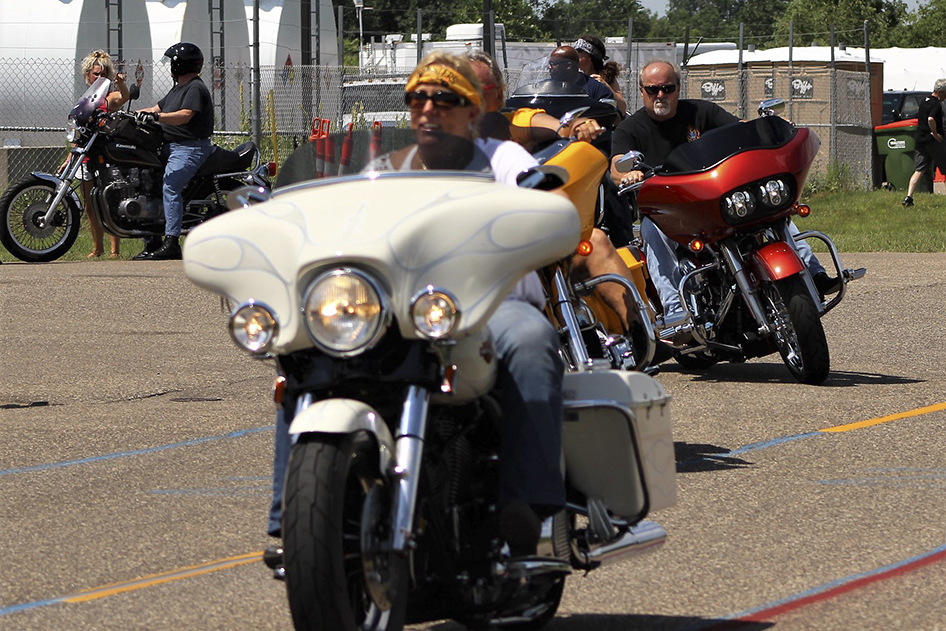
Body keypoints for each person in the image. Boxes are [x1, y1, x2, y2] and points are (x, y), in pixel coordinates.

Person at [266, 52, 566, 570]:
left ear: (472, 112)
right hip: (404, 311)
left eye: (445, 99)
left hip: (491, 308)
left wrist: (535, 205)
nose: (428, 109)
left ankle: (530, 508)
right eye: (418, 98)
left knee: (533, 341)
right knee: (303, 354)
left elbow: (537, 201)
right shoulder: (386, 171)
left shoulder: (504, 160)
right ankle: (288, 517)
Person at [610, 59, 840, 322]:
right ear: (641, 91)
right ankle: (675, 307)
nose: (660, 95)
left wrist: (770, 126)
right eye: (653, 89)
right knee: (651, 230)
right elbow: (616, 166)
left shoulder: (700, 111)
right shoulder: (631, 129)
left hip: (712, 201)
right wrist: (628, 172)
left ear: (678, 88)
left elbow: (738, 128)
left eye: (668, 88)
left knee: (774, 211)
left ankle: (814, 273)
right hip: (670, 211)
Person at [469, 51, 648, 342]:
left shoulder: (510, 124)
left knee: (596, 240)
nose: (471, 98)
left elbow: (542, 122)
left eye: (481, 90)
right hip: (473, 251)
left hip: (526, 235)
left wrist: (573, 126)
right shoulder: (440, 144)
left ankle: (638, 331)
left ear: (498, 95)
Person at [133, 42, 213, 260]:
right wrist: (128, 115)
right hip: (171, 146)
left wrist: (156, 117)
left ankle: (172, 242)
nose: (169, 66)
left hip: (190, 147)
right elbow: (155, 109)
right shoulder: (177, 89)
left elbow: (185, 115)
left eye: (171, 62)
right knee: (148, 180)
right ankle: (152, 240)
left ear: (179, 65)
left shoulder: (195, 87)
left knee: (170, 184)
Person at [77, 50, 128, 258]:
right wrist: (70, 157)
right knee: (90, 205)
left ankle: (115, 251)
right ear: (87, 75)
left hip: (107, 156)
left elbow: (124, 96)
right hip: (86, 155)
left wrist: (122, 83)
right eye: (95, 74)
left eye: (102, 74)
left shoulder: (110, 98)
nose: (98, 78)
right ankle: (97, 248)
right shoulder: (84, 102)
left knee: (109, 201)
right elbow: (79, 133)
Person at [903, 79, 946, 207]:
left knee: (919, 170)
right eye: (945, 93)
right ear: (939, 92)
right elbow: (931, 119)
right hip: (932, 142)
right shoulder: (936, 104)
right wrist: (935, 133)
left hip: (920, 140)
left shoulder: (924, 101)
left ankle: (908, 197)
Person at [573, 35, 627, 117]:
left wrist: (606, 86)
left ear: (590, 58)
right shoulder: (576, 78)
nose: (575, 59)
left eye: (579, 55)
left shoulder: (606, 78)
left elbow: (622, 109)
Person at [548, 46, 614, 103]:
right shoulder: (546, 88)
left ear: (569, 66)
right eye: (549, 63)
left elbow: (612, 114)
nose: (549, 67)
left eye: (553, 64)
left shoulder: (598, 90)